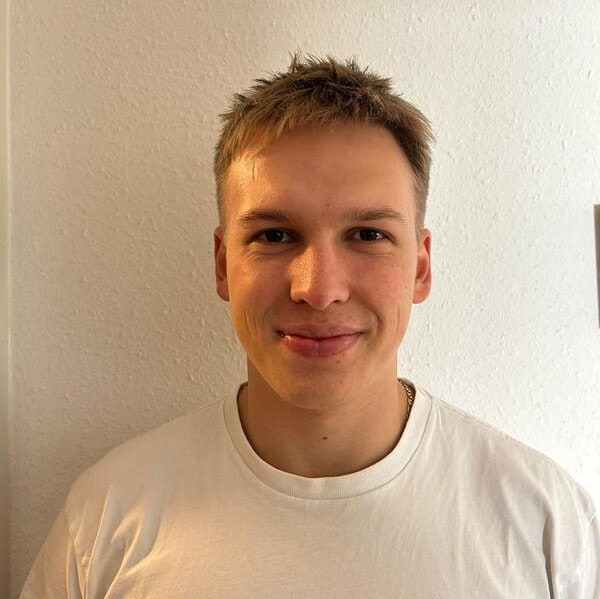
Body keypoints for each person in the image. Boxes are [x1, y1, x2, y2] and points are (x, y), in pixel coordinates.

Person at [20, 54, 598, 598]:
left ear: (420, 268)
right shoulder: (106, 516)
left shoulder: (547, 526)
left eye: (368, 235)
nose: (319, 290)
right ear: (223, 266)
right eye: (274, 235)